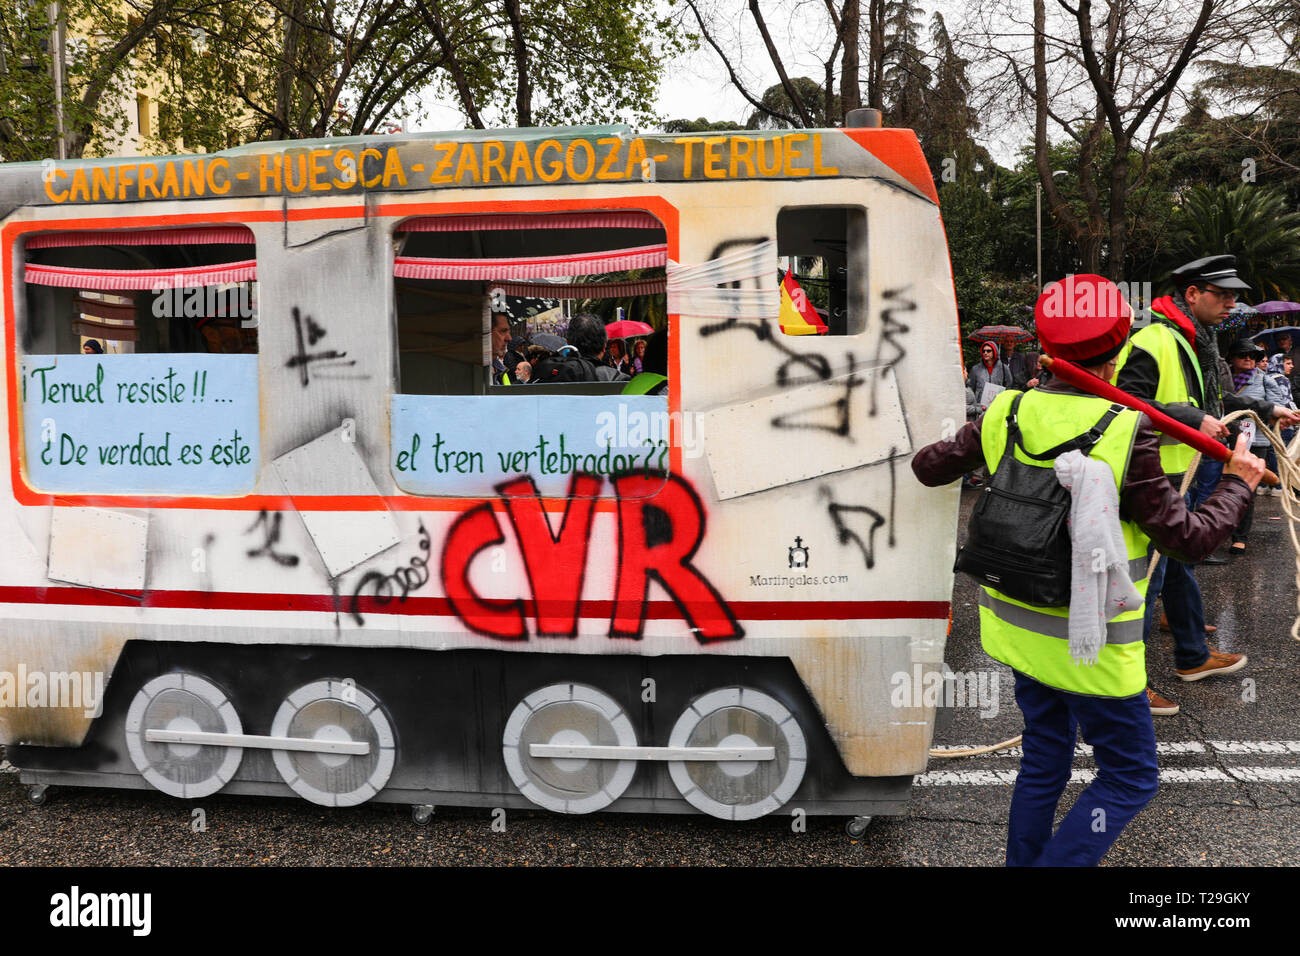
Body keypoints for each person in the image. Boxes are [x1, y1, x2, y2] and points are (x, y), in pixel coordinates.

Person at [913, 274, 1261, 866]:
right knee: (1129, 777)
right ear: (1121, 347)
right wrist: (1237, 483)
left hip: (1018, 628)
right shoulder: (1128, 432)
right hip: (1092, 646)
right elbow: (1189, 541)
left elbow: (928, 465)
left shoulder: (1008, 410)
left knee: (1045, 755)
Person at [1114, 255, 1300, 713]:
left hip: (1187, 472)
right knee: (1151, 579)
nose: (1231, 304)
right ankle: (1128, 688)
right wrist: (1193, 418)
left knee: (1179, 566)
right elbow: (1126, 402)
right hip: (1159, 474)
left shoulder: (1195, 338)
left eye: (1235, 296)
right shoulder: (1154, 339)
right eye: (1223, 295)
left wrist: (1265, 407)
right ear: (1192, 294)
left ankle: (1193, 657)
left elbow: (1211, 399)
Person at [968, 341, 1014, 408]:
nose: (985, 353)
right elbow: (971, 388)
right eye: (983, 351)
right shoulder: (975, 369)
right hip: (980, 408)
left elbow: (1009, 386)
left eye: (988, 351)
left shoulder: (1004, 368)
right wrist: (976, 405)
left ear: (994, 352)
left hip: (998, 406)